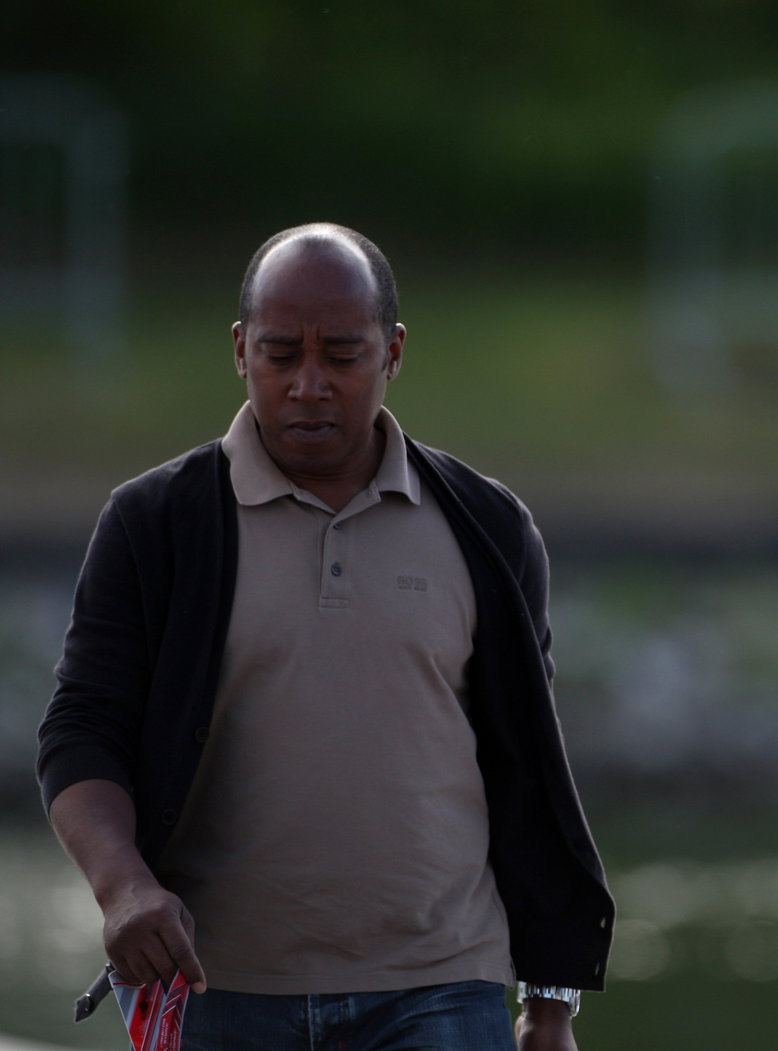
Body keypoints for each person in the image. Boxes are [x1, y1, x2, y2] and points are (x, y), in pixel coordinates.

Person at [37, 223, 613, 1051]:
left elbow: (527, 771)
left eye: (342, 355)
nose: (309, 383)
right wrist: (124, 888)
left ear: (394, 352)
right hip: (215, 991)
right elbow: (81, 730)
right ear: (240, 350)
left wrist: (551, 1006)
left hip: (443, 988)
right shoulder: (156, 524)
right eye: (281, 353)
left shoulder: (488, 527)